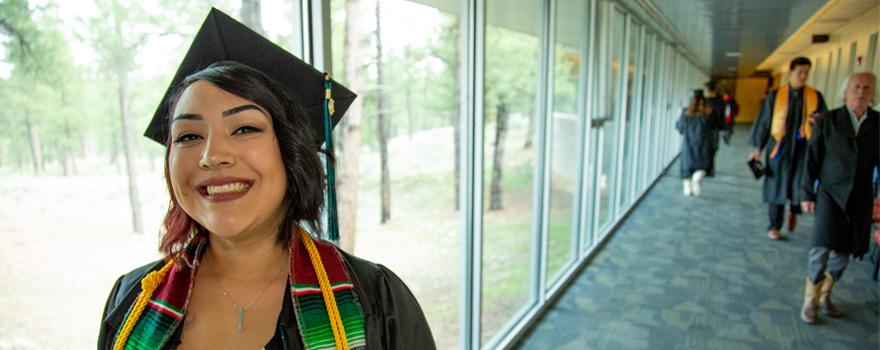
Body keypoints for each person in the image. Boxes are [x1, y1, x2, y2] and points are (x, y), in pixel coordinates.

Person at [97, 9, 435, 349]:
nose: (212, 156)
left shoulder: (375, 301)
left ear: (292, 152)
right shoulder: (134, 301)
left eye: (245, 128)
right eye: (188, 136)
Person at [798, 71, 878, 324]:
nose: (861, 92)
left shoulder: (878, 123)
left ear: (873, 94)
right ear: (845, 91)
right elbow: (812, 159)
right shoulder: (829, 120)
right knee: (821, 247)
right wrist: (806, 193)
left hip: (861, 198)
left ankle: (826, 295)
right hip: (830, 194)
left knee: (845, 251)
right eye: (856, 86)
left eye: (867, 88)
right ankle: (810, 300)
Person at [747, 57, 828, 240]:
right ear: (790, 73)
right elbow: (765, 123)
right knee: (777, 185)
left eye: (807, 73)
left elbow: (825, 122)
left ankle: (794, 209)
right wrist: (758, 148)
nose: (803, 76)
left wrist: (818, 121)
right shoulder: (775, 96)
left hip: (803, 150)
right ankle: (774, 225)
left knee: (799, 183)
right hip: (780, 149)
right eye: (800, 72)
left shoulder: (816, 96)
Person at [676, 90, 717, 196]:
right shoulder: (709, 113)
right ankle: (696, 179)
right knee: (703, 165)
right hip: (704, 143)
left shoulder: (686, 112)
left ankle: (687, 189)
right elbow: (715, 127)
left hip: (689, 143)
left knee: (687, 166)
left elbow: (680, 127)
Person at [703, 81, 725, 175]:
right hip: (715, 129)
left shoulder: (704, 101)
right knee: (713, 148)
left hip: (705, 129)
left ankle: (704, 167)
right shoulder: (721, 101)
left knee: (705, 148)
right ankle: (709, 168)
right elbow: (722, 116)